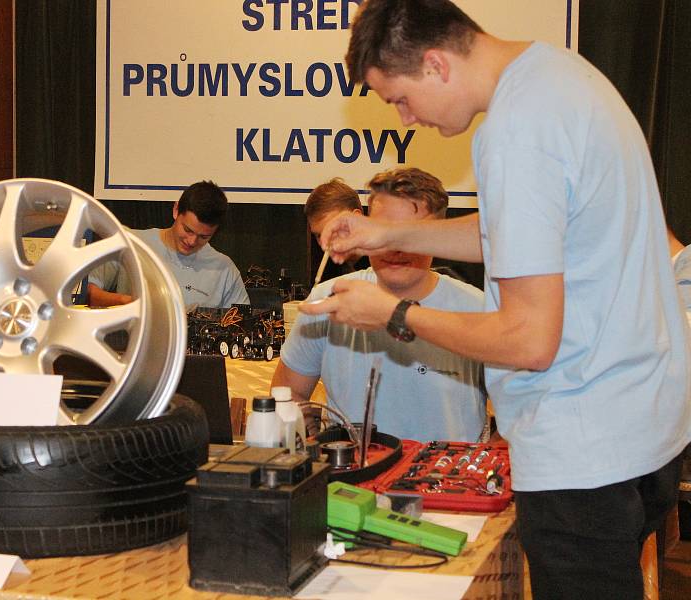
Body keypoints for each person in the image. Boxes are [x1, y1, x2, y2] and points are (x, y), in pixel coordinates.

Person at [302, 2, 691, 598]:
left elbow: (529, 341)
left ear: (435, 64)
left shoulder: (516, 128)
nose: (406, 117)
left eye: (400, 98)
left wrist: (394, 314)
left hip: (583, 446)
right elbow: (519, 229)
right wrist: (389, 233)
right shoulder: (560, 77)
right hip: (641, 425)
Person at [273, 167, 486, 443]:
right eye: (386, 232)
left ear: (439, 235)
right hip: (350, 481)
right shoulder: (329, 300)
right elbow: (286, 394)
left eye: (410, 234)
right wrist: (308, 440)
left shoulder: (478, 308)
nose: (396, 248)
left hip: (447, 482)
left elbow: (521, 415)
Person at [87, 180, 249, 310]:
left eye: (204, 237)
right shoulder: (132, 243)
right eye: (187, 230)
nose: (191, 241)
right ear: (176, 210)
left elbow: (241, 324)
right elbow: (86, 291)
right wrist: (126, 302)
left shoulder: (224, 270)